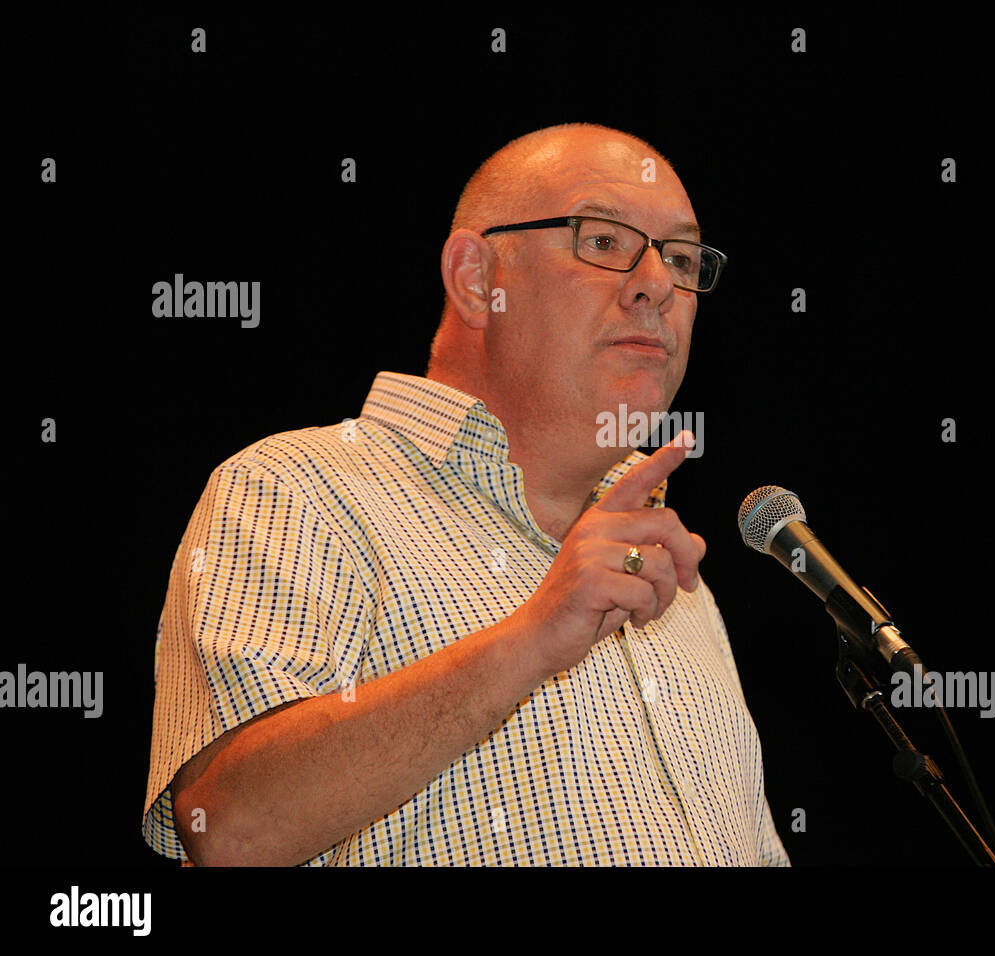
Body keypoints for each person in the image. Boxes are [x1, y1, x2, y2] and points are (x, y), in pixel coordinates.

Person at [142, 122, 790, 866]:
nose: (657, 284)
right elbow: (225, 831)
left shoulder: (677, 579)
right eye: (604, 242)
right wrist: (532, 639)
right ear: (478, 280)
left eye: (680, 258)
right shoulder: (299, 487)